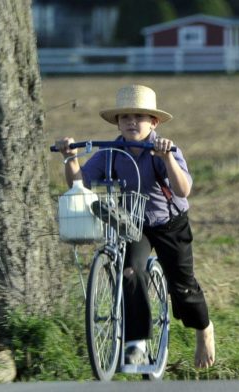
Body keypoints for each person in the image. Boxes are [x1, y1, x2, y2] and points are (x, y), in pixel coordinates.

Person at [55, 84, 215, 369]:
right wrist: (70, 157)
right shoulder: (111, 152)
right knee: (130, 271)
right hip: (133, 223)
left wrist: (166, 158)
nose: (131, 122)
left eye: (139, 117)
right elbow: (79, 184)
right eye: (125, 117)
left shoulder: (164, 149)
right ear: (117, 122)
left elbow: (184, 190)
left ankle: (204, 329)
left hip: (169, 222)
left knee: (183, 288)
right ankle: (137, 343)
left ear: (153, 122)